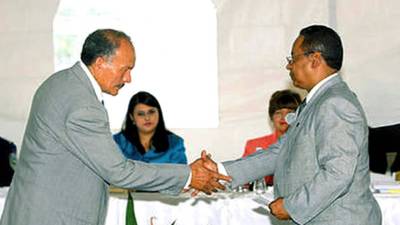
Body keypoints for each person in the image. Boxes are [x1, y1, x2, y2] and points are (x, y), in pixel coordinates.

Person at [0, 29, 229, 225]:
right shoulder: (82, 105)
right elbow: (119, 172)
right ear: (100, 63)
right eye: (125, 69)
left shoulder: (60, 82)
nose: (128, 78)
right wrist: (188, 175)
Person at [201, 25, 382, 224]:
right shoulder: (317, 101)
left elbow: (338, 173)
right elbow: (279, 152)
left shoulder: (335, 104)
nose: (289, 66)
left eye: (293, 58)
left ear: (314, 59)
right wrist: (220, 171)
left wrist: (292, 206)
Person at [242, 89, 301, 185]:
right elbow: (244, 180)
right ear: (271, 117)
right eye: (278, 113)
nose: (283, 117)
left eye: (289, 112)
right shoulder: (255, 145)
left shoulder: (307, 144)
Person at [113, 91, 187, 164]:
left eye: (151, 112)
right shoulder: (117, 142)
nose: (147, 118)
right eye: (141, 114)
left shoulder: (175, 143)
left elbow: (180, 174)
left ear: (159, 113)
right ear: (132, 117)